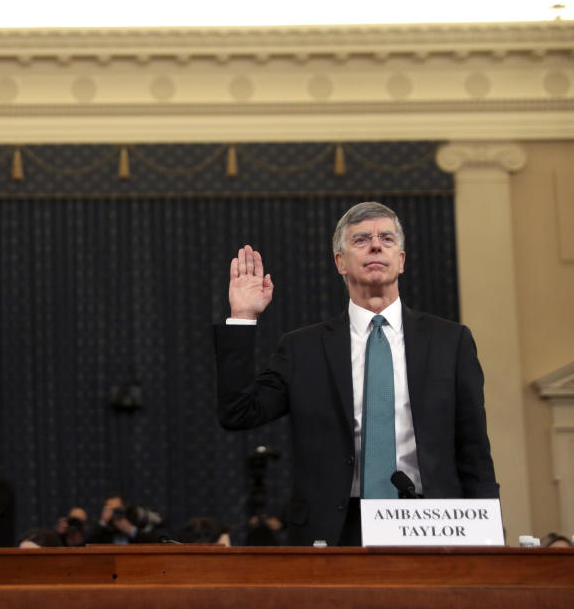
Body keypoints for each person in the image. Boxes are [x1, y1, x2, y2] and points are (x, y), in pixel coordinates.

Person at [214, 201, 499, 546]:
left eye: (387, 239)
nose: (376, 245)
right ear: (340, 263)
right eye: (362, 239)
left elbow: (475, 454)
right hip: (335, 529)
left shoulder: (450, 341)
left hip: (433, 525)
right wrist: (243, 316)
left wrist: (490, 540)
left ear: (401, 260)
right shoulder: (303, 348)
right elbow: (239, 412)